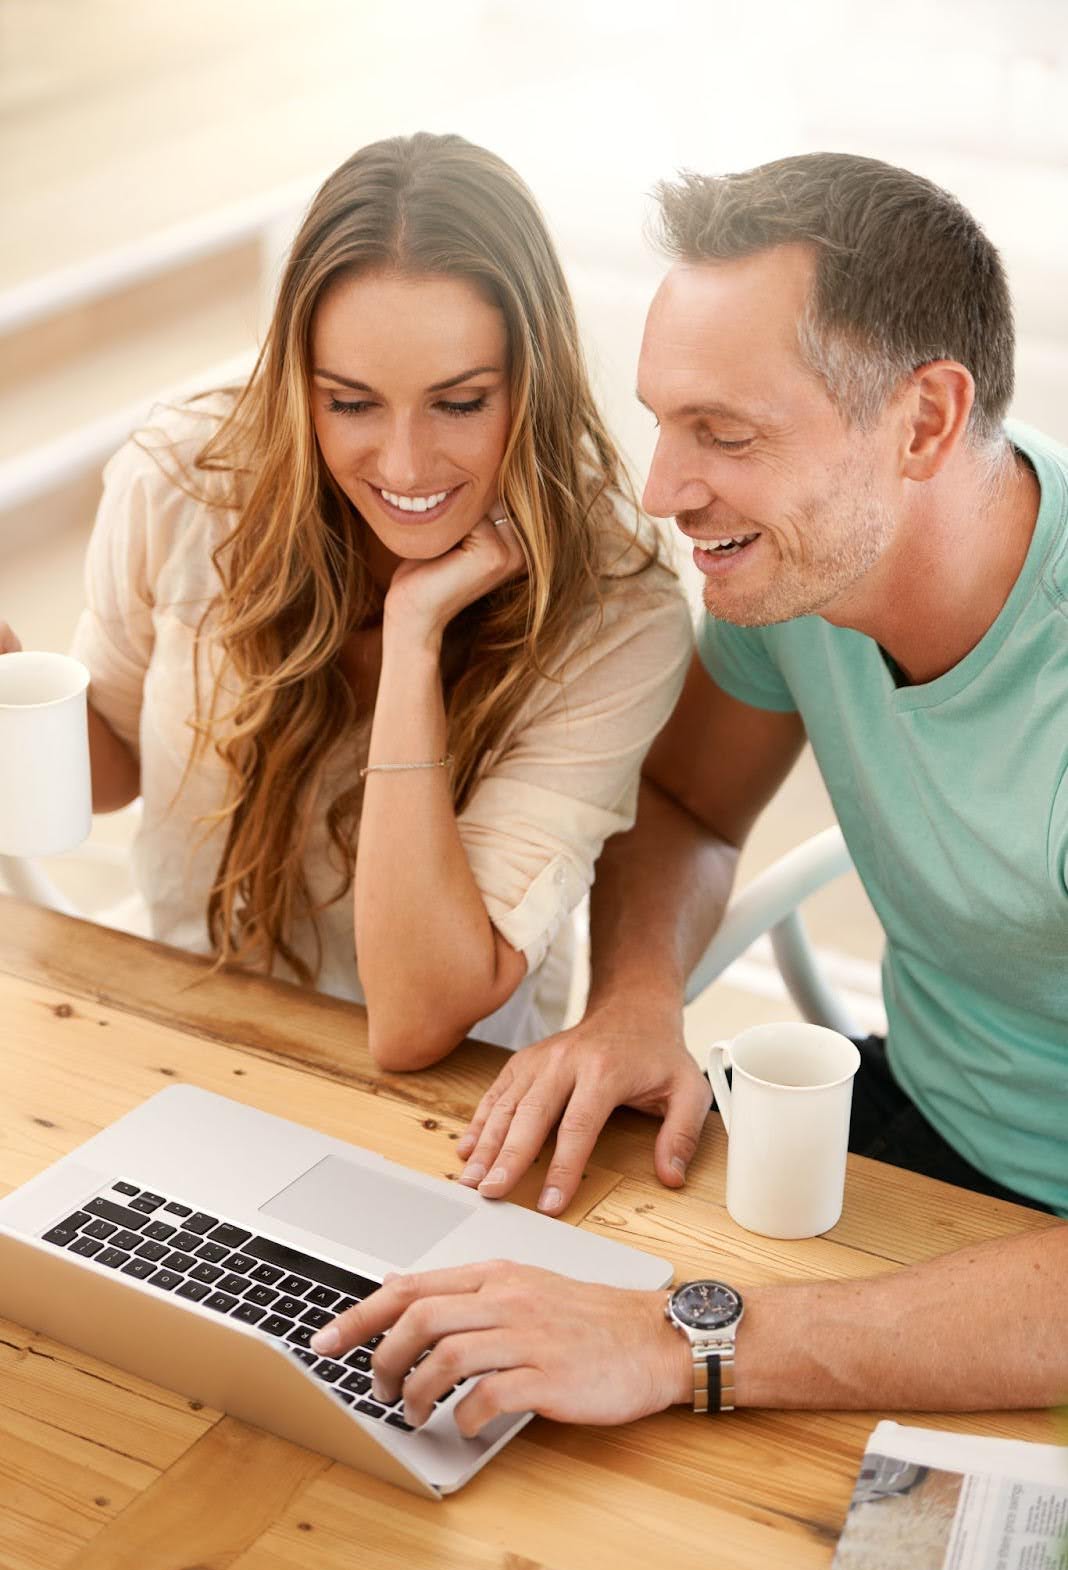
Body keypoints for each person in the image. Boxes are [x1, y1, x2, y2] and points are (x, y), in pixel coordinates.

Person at [311, 152, 1067, 1425]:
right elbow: (691, 808)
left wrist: (681, 1343)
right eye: (665, 419)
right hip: (908, 1136)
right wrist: (636, 999)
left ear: (927, 421)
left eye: (727, 434)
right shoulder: (809, 563)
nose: (665, 492)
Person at [0, 133, 690, 1065]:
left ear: (533, 383)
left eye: (460, 403)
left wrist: (412, 636)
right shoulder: (187, 479)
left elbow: (414, 1018)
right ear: (298, 383)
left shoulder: (617, 605)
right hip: (186, 1021)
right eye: (351, 403)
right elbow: (109, 768)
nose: (404, 466)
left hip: (445, 1094)